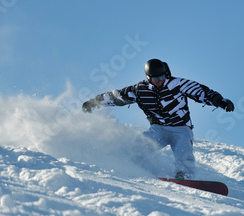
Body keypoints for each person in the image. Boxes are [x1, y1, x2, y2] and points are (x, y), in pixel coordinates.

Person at [82, 58, 234, 180]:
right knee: (139, 144)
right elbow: (116, 97)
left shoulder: (178, 84)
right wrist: (94, 102)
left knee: (183, 151)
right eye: (156, 79)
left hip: (181, 128)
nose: (160, 80)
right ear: (148, 77)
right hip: (158, 129)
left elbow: (200, 91)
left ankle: (184, 176)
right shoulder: (139, 90)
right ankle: (132, 167)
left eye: (162, 76)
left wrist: (219, 101)